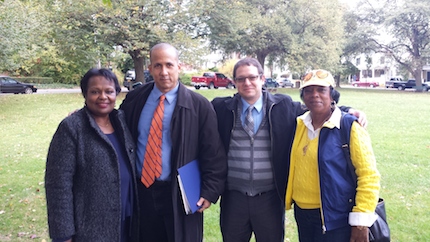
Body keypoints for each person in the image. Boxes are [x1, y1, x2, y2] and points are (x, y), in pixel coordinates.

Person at [211, 58, 367, 242]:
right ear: (235, 82)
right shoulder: (220, 108)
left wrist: (347, 110)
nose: (247, 83)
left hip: (269, 198)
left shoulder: (283, 106)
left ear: (262, 79)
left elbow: (317, 106)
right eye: (241, 79)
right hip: (233, 198)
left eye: (252, 77)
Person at [119, 43, 227, 242]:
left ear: (179, 67)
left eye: (169, 65)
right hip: (141, 192)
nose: (164, 72)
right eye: (157, 66)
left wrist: (210, 190)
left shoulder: (199, 106)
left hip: (179, 194)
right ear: (150, 69)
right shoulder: (134, 100)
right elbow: (114, 128)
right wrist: (84, 118)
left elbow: (213, 152)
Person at [285, 69, 380, 242]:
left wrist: (361, 222)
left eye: (321, 90)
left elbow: (369, 175)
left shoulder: (349, 127)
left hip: (336, 217)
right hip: (303, 213)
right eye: (308, 90)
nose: (314, 95)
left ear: (332, 95)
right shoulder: (299, 124)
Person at [45, 68, 138, 242]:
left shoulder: (122, 121)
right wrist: (63, 234)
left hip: (127, 222)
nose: (103, 97)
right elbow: (58, 185)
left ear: (116, 94)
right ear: (85, 94)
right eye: (95, 92)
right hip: (90, 229)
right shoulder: (72, 128)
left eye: (109, 91)